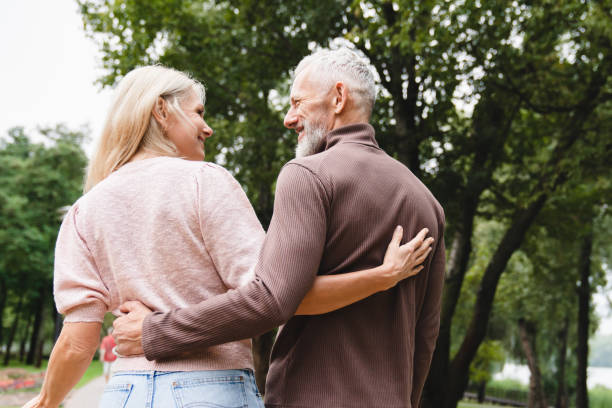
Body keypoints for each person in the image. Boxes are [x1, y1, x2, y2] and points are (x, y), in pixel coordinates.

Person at [22, 64, 432, 408]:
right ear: (162, 112)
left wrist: (45, 400)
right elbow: (276, 296)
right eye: (198, 112)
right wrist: (380, 277)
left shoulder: (84, 210)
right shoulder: (207, 183)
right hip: (209, 391)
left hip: (123, 393)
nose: (208, 128)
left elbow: (77, 344)